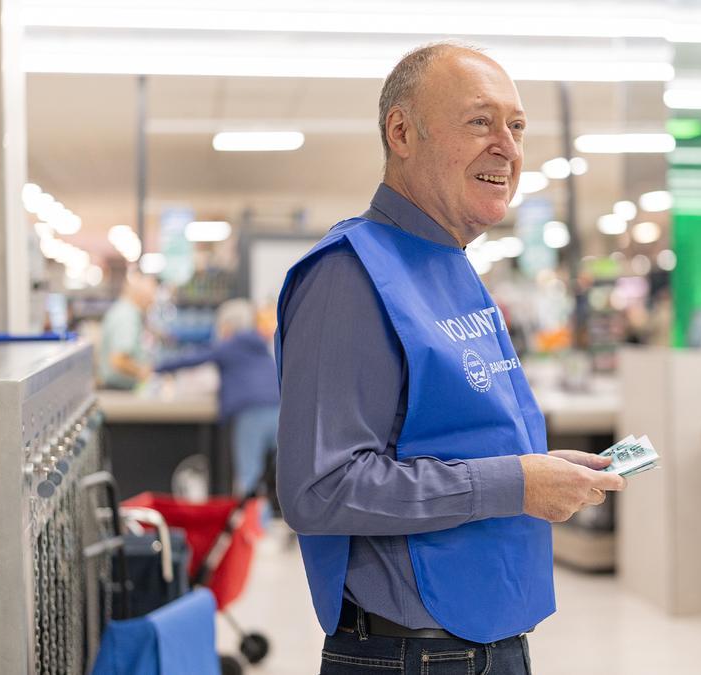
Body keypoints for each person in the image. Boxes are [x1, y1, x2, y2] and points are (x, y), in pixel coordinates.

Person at [274, 42, 627, 675]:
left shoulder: (450, 264)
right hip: (414, 654)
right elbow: (320, 488)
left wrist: (539, 469)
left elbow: (449, 433)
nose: (508, 147)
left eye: (516, 126)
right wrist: (515, 483)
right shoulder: (349, 278)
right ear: (402, 132)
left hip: (485, 640)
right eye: (480, 121)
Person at [155, 298, 280, 496]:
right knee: (278, 473)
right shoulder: (259, 345)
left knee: (249, 476)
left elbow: (194, 358)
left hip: (251, 413)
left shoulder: (232, 344)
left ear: (228, 326)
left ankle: (253, 525)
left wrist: (156, 368)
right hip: (279, 410)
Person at [98, 272, 158, 390]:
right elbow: (118, 360)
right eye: (151, 297)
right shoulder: (127, 317)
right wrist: (143, 372)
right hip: (118, 391)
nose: (152, 302)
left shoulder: (124, 311)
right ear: (141, 295)